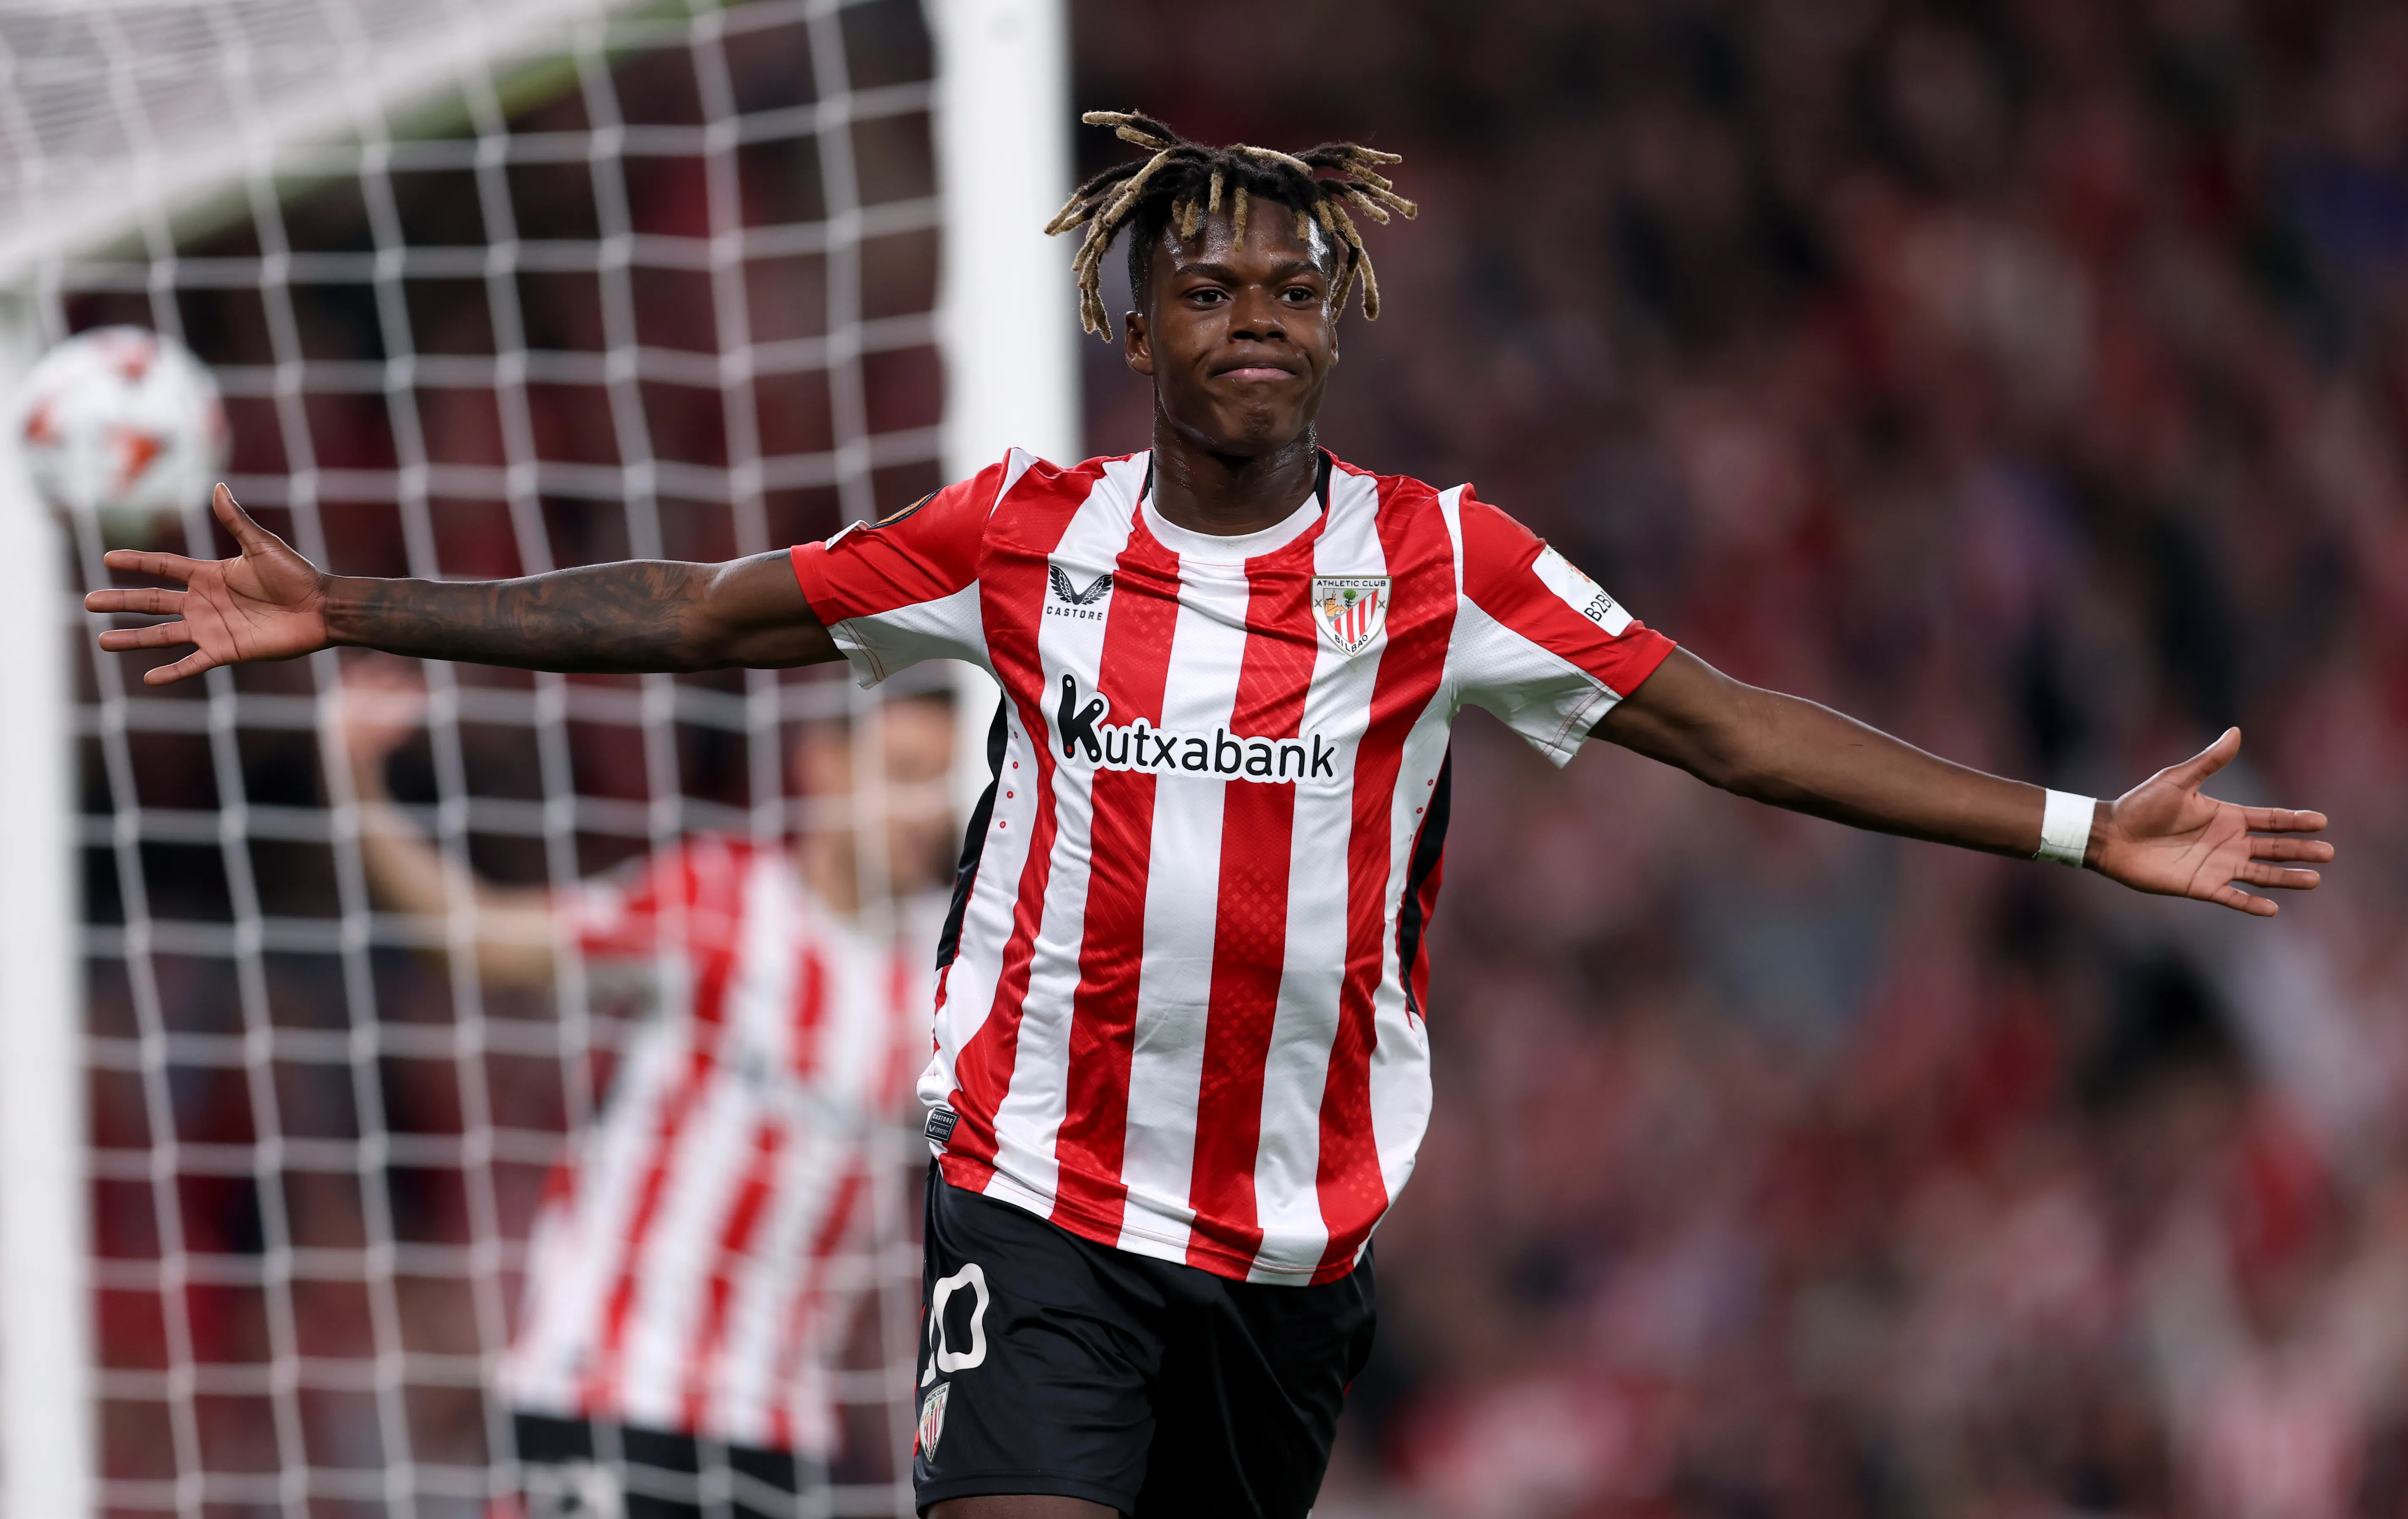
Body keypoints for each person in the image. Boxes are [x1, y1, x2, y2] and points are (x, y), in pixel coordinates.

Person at [89, 111, 2333, 1519]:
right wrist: (353, 607)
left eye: (1292, 286)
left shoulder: (1449, 565)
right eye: (1208, 285)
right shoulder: (1018, 540)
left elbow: (1736, 730)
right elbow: (698, 613)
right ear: (1135, 324)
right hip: (1037, 1199)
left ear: (1334, 326)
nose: (1256, 315)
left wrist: (2067, 826)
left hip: (1291, 1249)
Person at [327, 659, 956, 1518]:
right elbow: (483, 940)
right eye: (903, 774)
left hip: (775, 1424)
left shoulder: (947, 981)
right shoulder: (721, 900)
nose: (923, 811)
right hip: (609, 1386)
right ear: (825, 764)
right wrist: (357, 785)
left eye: (942, 786)